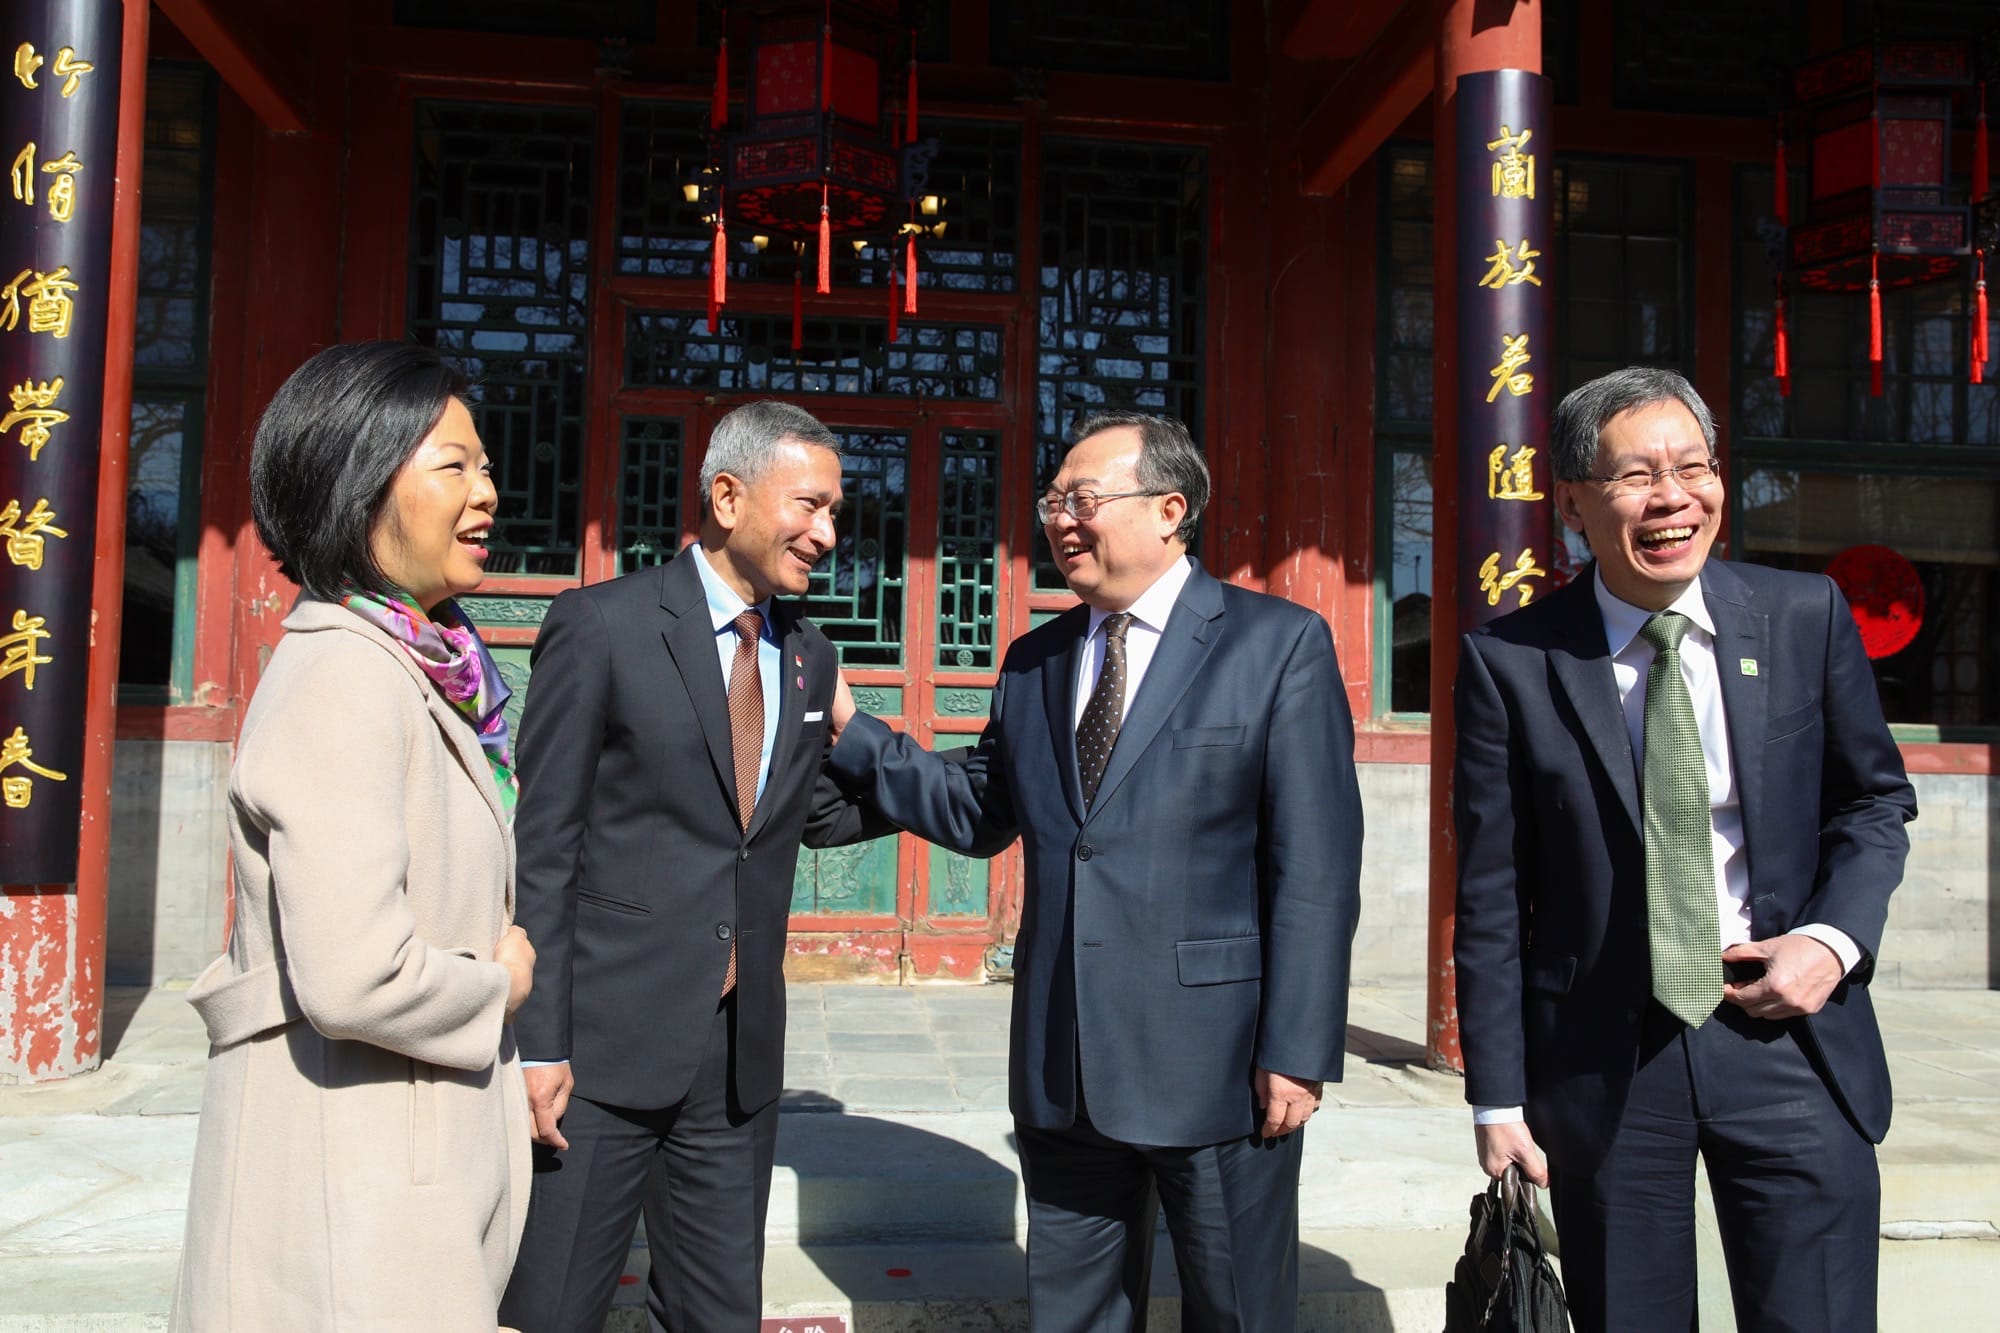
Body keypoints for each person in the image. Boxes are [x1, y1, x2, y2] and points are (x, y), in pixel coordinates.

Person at [826, 411, 1364, 1333]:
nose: (1061, 519)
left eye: (1084, 498)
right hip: (1062, 1062)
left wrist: (1298, 1049)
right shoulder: (1035, 661)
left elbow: (1315, 868)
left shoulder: (1276, 645)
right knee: (1070, 1316)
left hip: (1221, 1067)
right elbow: (978, 808)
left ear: (1170, 509)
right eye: (1053, 501)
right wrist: (852, 734)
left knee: (1239, 1311)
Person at [1452, 366, 1918, 1333]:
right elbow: (1495, 896)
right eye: (1636, 476)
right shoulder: (1513, 662)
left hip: (1788, 1029)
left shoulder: (1803, 617)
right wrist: (1495, 1096)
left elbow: (1873, 802)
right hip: (1610, 1056)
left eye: (1693, 467)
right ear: (1574, 501)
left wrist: (1829, 943)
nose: (1672, 498)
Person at [499, 401, 887, 1332]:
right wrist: (540, 1040)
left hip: (734, 1052)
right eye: (809, 506)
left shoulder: (807, 656)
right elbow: (543, 847)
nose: (827, 534)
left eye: (836, 512)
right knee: (553, 1308)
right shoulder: (601, 625)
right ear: (726, 495)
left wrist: (977, 787)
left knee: (719, 1315)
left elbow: (799, 816)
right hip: (597, 1048)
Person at [172, 342, 535, 1330]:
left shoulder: (424, 666)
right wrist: (500, 983)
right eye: (452, 466)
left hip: (396, 1158)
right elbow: (353, 974)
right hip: (346, 1181)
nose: (486, 492)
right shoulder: (344, 675)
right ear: (357, 482)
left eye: (485, 465)